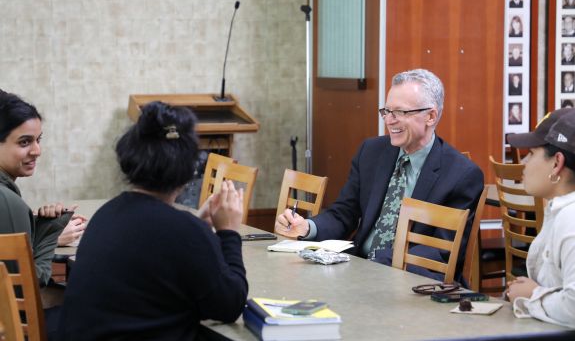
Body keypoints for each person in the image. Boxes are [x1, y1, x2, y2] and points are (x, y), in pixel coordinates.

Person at [56, 101, 248, 340]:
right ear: (189, 168)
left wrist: (198, 225)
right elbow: (229, 305)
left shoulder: (106, 214)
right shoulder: (184, 232)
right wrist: (229, 232)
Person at [275, 69, 484, 283]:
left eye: (400, 113)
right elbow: (344, 213)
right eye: (386, 111)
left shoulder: (461, 175)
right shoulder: (371, 152)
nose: (389, 121)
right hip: (358, 270)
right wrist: (308, 227)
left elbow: (441, 251)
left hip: (414, 284)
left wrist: (377, 262)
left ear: (430, 116)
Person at [506, 108, 575, 328]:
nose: (523, 163)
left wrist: (533, 295)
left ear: (557, 163)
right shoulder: (559, 210)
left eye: (531, 153)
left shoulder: (570, 218)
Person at [0, 90, 73, 287]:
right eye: (24, 142)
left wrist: (39, 227)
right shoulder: (7, 201)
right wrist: (51, 234)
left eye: (38, 140)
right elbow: (28, 284)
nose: (37, 151)